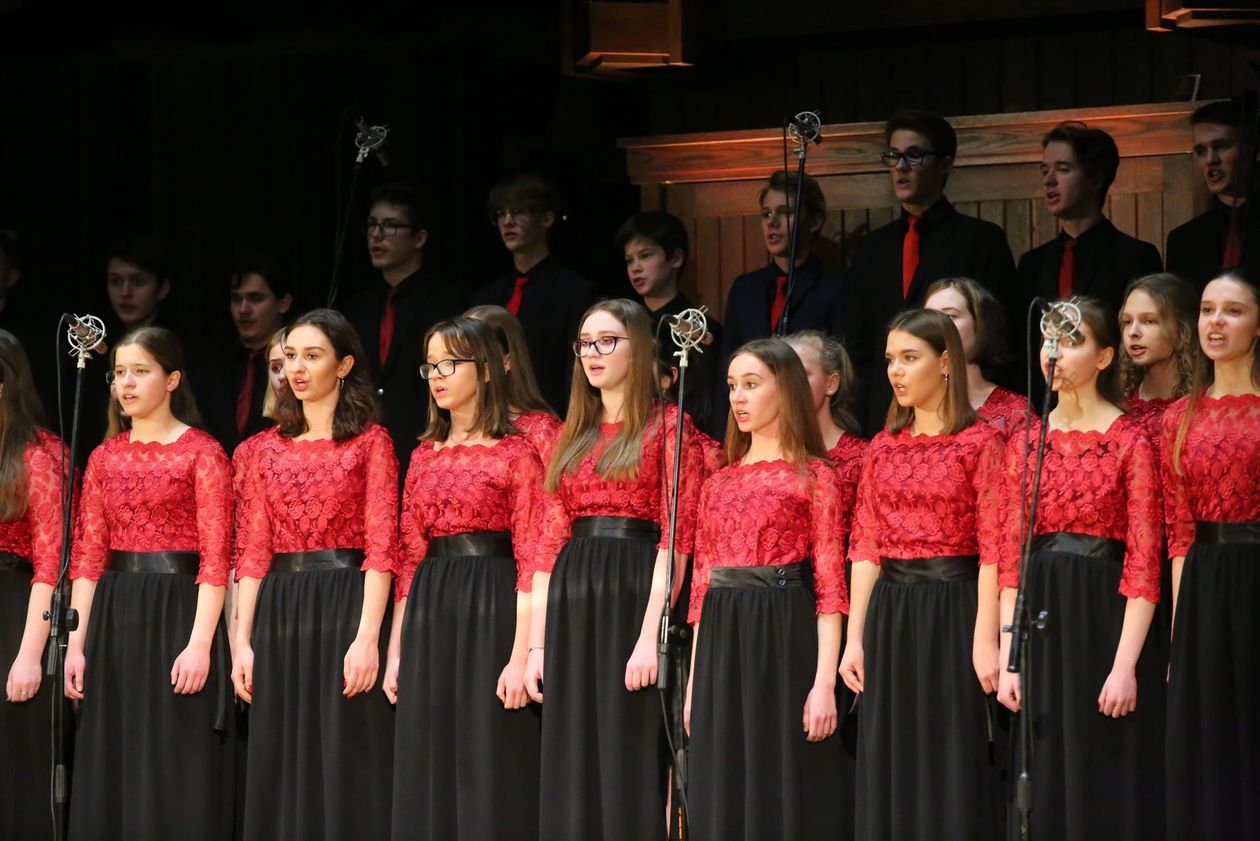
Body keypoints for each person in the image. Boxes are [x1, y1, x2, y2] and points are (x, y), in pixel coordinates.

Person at [522, 299, 702, 840]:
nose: (593, 354)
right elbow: (547, 543)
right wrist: (536, 645)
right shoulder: (572, 433)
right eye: (585, 343)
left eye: (607, 341)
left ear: (639, 347)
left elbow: (676, 540)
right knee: (572, 750)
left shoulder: (669, 426)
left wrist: (651, 636)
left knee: (625, 752)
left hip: (632, 592)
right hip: (574, 596)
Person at [382, 317, 559, 841]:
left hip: (492, 602)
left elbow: (533, 556)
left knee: (488, 751)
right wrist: (395, 649)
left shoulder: (517, 453)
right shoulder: (421, 455)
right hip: (433, 603)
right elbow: (408, 559)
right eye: (430, 365)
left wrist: (524, 652)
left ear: (484, 371)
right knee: (431, 749)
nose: (436, 375)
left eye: (449, 364)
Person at [995, 297, 1165, 841]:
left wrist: (1124, 666)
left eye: (1071, 340)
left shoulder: (1130, 440)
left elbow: (1143, 562)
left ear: (1104, 356)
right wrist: (1008, 654)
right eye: (1049, 339)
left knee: (1102, 766)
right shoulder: (1026, 442)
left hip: (1101, 617)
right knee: (1042, 771)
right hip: (1042, 618)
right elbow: (1010, 558)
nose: (1055, 352)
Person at [231, 309, 397, 841]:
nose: (296, 369)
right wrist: (241, 641)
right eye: (291, 358)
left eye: (313, 355)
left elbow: (381, 547)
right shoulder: (259, 450)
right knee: (280, 755)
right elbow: (252, 551)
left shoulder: (371, 443)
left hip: (345, 602)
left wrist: (368, 636)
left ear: (344, 364)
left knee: (347, 752)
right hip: (281, 608)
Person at [839, 309, 1004, 841]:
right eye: (890, 359)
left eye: (910, 358)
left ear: (947, 363)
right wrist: (855, 639)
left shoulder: (980, 443)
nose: (896, 371)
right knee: (891, 751)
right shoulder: (883, 446)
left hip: (954, 606)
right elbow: (865, 545)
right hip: (891, 610)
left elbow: (993, 550)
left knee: (948, 754)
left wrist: (985, 639)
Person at [64, 326, 234, 841]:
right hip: (116, 614)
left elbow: (215, 555)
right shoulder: (104, 457)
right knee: (114, 750)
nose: (126, 383)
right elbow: (89, 557)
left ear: (173, 379)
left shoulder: (201, 453)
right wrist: (76, 644)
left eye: (141, 371)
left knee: (170, 755)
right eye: (119, 373)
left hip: (175, 611)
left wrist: (201, 643)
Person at [683, 338, 848, 841]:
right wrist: (693, 683)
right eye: (733, 386)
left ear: (788, 389)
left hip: (782, 629)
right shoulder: (717, 482)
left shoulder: (815, 476)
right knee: (725, 774)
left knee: (781, 772)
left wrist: (823, 684)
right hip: (721, 638)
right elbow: (700, 589)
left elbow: (829, 588)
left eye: (752, 385)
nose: (738, 398)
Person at [1161, 270, 1260, 839]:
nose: (1215, 322)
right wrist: (1178, 636)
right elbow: (1178, 534)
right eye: (1206, 309)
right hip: (1202, 583)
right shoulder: (1179, 417)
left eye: (1233, 310)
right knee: (1211, 738)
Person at [846, 111, 1018, 435]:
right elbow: (858, 345)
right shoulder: (871, 249)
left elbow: (998, 336)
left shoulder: (979, 239)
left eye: (914, 155)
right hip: (886, 413)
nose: (900, 166)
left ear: (945, 164)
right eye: (893, 155)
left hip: (960, 411)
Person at [1015, 123, 1162, 378]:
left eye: (1063, 169)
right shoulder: (1032, 263)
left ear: (1094, 179)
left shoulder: (1135, 256)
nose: (1049, 180)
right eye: (1045, 170)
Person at [340, 182, 466, 475]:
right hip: (363, 451)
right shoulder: (355, 307)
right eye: (372, 225)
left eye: (390, 225)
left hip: (426, 443)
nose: (377, 235)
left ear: (419, 237)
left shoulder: (449, 302)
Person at [0, 331, 67, 841]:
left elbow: (50, 564)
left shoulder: (37, 457)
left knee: (15, 757)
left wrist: (29, 655)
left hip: (14, 613)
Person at [716, 171, 845, 434]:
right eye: (766, 214)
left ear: (815, 221)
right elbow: (727, 364)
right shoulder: (745, 288)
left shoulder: (836, 287)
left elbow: (844, 366)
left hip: (811, 426)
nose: (772, 223)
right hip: (752, 430)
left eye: (785, 212)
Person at [472, 173, 599, 417]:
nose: (507, 221)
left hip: (551, 420)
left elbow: (574, 374)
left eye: (518, 211)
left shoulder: (575, 292)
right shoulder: (487, 296)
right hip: (490, 423)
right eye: (501, 213)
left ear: (547, 217)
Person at [617, 210, 723, 435]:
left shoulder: (703, 330)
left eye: (645, 255)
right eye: (629, 260)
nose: (635, 267)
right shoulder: (621, 326)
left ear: (676, 258)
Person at [195, 255, 293, 455]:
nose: (243, 309)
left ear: (283, 302)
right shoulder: (210, 369)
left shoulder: (296, 368)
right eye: (236, 299)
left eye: (256, 298)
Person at [1166, 97, 1259, 290]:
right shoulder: (1183, 240)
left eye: (1222, 146)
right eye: (1201, 151)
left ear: (1255, 150)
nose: (1210, 160)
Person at [924, 277, 1028, 434]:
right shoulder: (911, 406)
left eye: (950, 316)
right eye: (928, 317)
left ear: (981, 325)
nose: (936, 326)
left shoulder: (1013, 413)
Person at [464, 304, 561, 457]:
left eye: (475, 352)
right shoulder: (450, 432)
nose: (463, 363)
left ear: (507, 361)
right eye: (458, 352)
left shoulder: (539, 431)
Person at [1118, 273, 1199, 441]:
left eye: (1149, 321)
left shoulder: (1205, 400)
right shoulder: (1117, 397)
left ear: (1182, 327)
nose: (1133, 332)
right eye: (1127, 322)